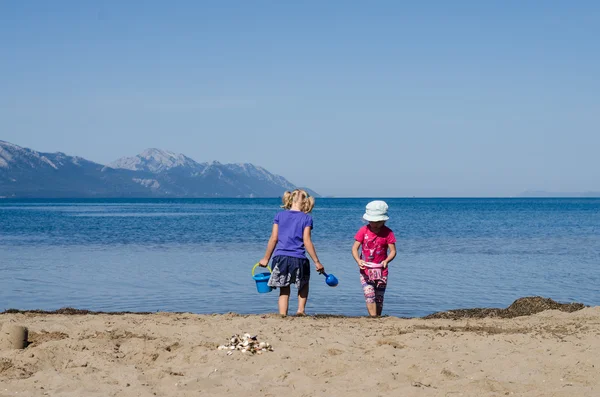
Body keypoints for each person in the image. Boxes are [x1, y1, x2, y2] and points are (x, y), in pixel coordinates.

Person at [258, 189, 325, 316]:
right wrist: (317, 262)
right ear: (306, 203)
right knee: (303, 285)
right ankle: (300, 310)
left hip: (280, 258)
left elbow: (274, 238)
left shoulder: (279, 215)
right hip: (298, 258)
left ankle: (283, 314)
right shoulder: (306, 218)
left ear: (289, 200)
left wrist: (266, 258)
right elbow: (307, 241)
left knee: (284, 288)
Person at [351, 200, 396, 316]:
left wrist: (386, 261)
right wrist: (358, 260)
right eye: (372, 221)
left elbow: (393, 251)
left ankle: (378, 316)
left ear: (384, 220)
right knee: (369, 295)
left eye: (378, 222)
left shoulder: (388, 233)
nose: (375, 224)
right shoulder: (363, 231)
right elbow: (354, 248)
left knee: (379, 296)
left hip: (381, 270)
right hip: (365, 270)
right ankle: (373, 317)